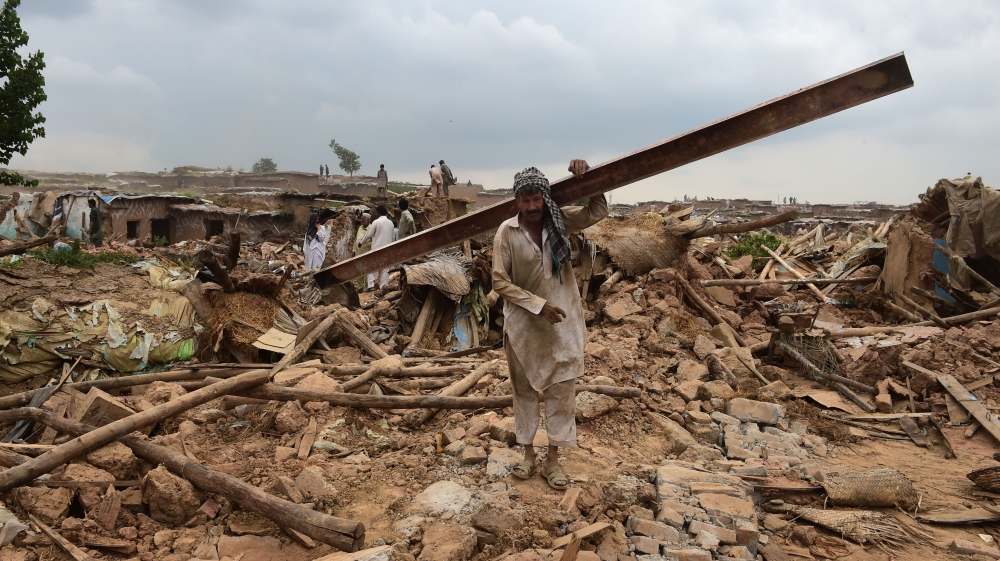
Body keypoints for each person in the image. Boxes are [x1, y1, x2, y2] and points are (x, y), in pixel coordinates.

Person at [491, 159, 607, 490]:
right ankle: (528, 455)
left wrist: (589, 177)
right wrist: (537, 305)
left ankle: (553, 460)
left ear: (544, 198)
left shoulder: (560, 221)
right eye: (524, 200)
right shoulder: (507, 232)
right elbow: (499, 281)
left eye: (536, 199)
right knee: (524, 390)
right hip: (524, 326)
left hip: (562, 324)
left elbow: (597, 211)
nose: (531, 206)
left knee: (561, 392)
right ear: (517, 202)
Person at [360, 204, 395, 289]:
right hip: (387, 250)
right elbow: (393, 238)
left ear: (378, 212)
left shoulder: (376, 222)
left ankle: (372, 286)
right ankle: (383, 287)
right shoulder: (391, 223)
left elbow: (369, 235)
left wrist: (361, 242)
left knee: (371, 268)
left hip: (376, 249)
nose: (375, 213)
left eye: (376, 212)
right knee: (384, 269)